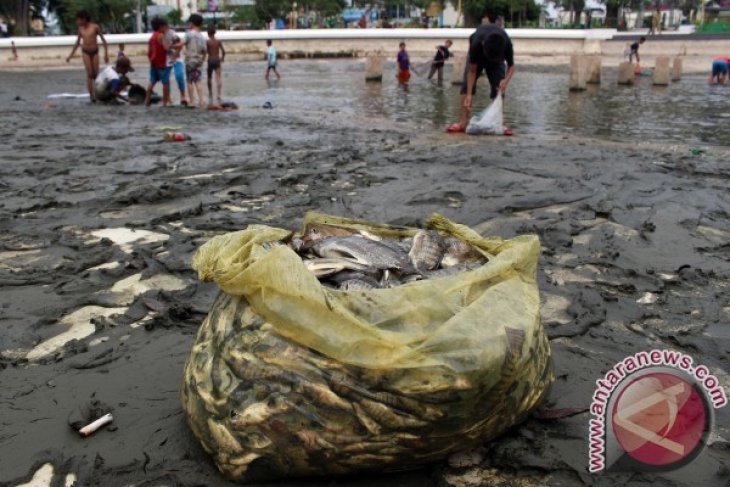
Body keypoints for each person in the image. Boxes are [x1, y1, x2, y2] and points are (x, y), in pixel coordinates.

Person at [448, 14, 515, 135]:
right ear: (483, 43)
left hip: (497, 60)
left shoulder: (506, 43)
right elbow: (472, 71)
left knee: (499, 89)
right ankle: (463, 122)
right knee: (466, 87)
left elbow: (511, 66)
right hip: (478, 57)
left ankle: (500, 123)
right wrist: (469, 94)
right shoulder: (476, 42)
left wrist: (505, 80)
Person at [66, 11, 109, 103]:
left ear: (84, 19)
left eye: (79, 19)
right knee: (89, 74)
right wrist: (70, 56)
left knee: (96, 74)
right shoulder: (80, 29)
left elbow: (103, 40)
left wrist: (106, 54)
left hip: (95, 51)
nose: (77, 21)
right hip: (85, 52)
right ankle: (91, 95)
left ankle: (98, 92)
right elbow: (77, 43)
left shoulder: (95, 27)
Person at [144, 16, 171, 107]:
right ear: (160, 27)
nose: (166, 29)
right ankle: (165, 102)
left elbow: (148, 52)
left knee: (152, 81)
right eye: (165, 27)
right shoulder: (161, 35)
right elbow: (166, 48)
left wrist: (151, 59)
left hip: (153, 62)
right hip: (161, 63)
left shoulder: (152, 36)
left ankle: (147, 100)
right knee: (165, 82)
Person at [185, 14, 207, 107]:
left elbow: (183, 43)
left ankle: (192, 101)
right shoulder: (202, 36)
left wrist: (173, 46)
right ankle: (202, 100)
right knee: (198, 81)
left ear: (192, 23)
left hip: (190, 61)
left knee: (190, 81)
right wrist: (202, 60)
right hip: (198, 61)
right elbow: (204, 51)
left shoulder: (189, 34)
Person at [165, 29, 187, 106]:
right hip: (165, 59)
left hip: (176, 58)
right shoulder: (159, 35)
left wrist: (175, 55)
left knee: (179, 75)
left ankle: (183, 96)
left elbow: (180, 45)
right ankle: (168, 98)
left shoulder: (172, 33)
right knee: (166, 79)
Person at [207, 26, 226, 103]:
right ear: (214, 33)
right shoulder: (218, 41)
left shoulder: (207, 42)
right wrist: (222, 58)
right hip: (217, 59)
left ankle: (210, 93)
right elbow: (224, 51)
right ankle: (218, 94)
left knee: (209, 77)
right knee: (218, 77)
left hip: (210, 59)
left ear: (208, 33)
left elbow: (206, 51)